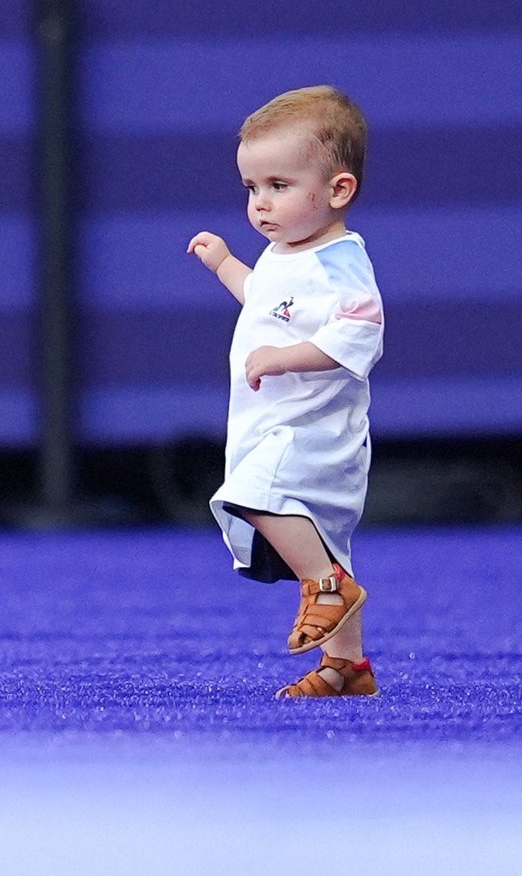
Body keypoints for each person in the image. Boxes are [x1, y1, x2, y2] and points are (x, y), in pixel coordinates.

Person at [188, 85, 385, 700]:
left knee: (253, 496)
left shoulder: (339, 261)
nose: (260, 204)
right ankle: (346, 668)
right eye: (251, 188)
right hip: (276, 422)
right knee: (323, 539)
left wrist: (283, 357)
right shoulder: (283, 255)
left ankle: (325, 587)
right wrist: (225, 265)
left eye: (278, 186)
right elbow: (269, 302)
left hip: (311, 427)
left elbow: (359, 333)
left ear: (337, 191)